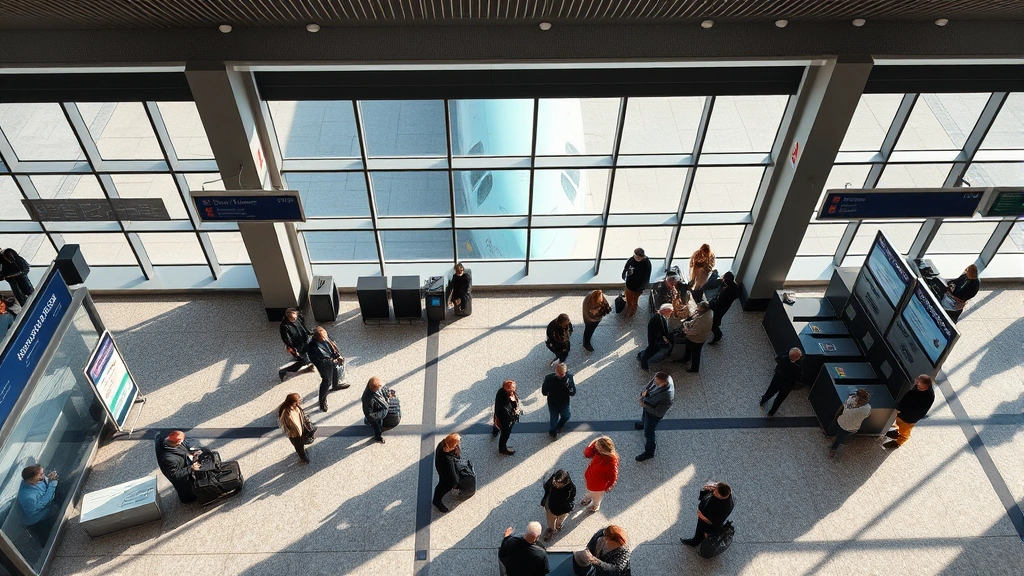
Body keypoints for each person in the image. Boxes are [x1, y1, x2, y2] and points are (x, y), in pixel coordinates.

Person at [885, 374, 936, 449]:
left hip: (908, 418)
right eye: (917, 380)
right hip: (902, 413)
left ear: (926, 385)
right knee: (899, 424)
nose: (916, 382)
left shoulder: (929, 396)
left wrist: (906, 415)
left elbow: (920, 411)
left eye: (919, 382)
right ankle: (897, 431)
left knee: (905, 429)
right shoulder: (917, 388)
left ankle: (899, 441)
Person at [307, 326, 350, 412]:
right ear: (317, 337)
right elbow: (316, 360)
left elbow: (332, 347)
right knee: (326, 381)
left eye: (325, 336)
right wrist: (332, 360)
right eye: (323, 337)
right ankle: (322, 400)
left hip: (331, 360)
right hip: (324, 365)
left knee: (335, 372)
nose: (325, 338)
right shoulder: (312, 347)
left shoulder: (325, 338)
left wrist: (337, 356)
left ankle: (336, 385)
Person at [634, 372, 675, 461]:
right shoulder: (661, 376)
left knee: (649, 433)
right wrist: (645, 393)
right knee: (645, 416)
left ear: (664, 382)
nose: (654, 381)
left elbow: (657, 411)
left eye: (657, 381)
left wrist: (644, 405)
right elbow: (650, 385)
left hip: (654, 414)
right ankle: (643, 424)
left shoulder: (667, 396)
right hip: (649, 404)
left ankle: (649, 453)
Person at [680, 481, 734, 547]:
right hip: (705, 513)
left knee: (700, 531)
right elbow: (705, 497)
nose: (713, 492)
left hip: (707, 521)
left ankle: (695, 542)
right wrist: (705, 489)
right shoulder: (721, 491)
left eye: (715, 492)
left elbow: (716, 522)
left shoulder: (725, 508)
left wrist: (702, 517)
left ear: (720, 496)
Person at [155, 430, 203, 503]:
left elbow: (182, 447)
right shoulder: (169, 459)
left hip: (174, 463)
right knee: (183, 486)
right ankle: (188, 499)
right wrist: (191, 468)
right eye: (181, 442)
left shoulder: (164, 438)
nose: (182, 443)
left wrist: (192, 452)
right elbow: (174, 474)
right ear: (178, 442)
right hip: (176, 472)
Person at [18, 465, 59, 543]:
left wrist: (49, 480)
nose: (43, 476)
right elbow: (45, 502)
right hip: (36, 518)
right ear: (31, 479)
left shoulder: (32, 481)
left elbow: (42, 483)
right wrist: (52, 483)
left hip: (40, 507)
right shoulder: (28, 497)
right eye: (41, 475)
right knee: (55, 509)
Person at [759, 347, 803, 417]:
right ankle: (771, 412)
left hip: (777, 380)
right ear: (797, 358)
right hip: (787, 386)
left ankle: (763, 400)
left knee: (770, 392)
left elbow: (778, 364)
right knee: (779, 399)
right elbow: (799, 378)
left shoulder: (784, 358)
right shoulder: (798, 368)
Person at [580, 436, 618, 513]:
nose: (595, 446)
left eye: (597, 445)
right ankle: (588, 498)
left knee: (597, 497)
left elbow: (613, 476)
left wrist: (608, 486)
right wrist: (595, 441)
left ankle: (596, 505)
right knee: (590, 491)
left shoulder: (611, 462)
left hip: (598, 485)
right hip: (591, 479)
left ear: (602, 449)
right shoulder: (599, 452)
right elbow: (587, 454)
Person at [830, 388, 872, 457]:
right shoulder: (867, 408)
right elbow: (867, 415)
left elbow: (845, 408)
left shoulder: (850, 401)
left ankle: (835, 448)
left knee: (839, 438)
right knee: (844, 436)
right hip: (854, 428)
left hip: (843, 425)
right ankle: (839, 443)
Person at [278, 308, 315, 381]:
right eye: (293, 318)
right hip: (296, 345)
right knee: (303, 361)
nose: (295, 319)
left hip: (304, 340)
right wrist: (294, 349)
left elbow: (304, 326)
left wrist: (310, 333)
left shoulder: (298, 317)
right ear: (288, 317)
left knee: (310, 354)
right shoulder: (284, 326)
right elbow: (286, 339)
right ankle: (284, 371)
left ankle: (309, 365)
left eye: (296, 317)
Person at [541, 363, 576, 439]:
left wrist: (570, 387)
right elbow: (544, 392)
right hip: (554, 403)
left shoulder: (569, 378)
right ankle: (553, 432)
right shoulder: (549, 378)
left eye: (562, 374)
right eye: (559, 374)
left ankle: (558, 426)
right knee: (554, 420)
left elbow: (572, 393)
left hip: (563, 403)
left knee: (566, 416)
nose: (561, 376)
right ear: (556, 371)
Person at [677, 301, 713, 373]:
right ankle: (686, 358)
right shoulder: (709, 312)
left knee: (696, 353)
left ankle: (694, 368)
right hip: (703, 336)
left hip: (697, 339)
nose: (697, 307)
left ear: (703, 309)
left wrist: (685, 329)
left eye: (699, 307)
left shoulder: (702, 321)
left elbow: (694, 332)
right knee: (690, 348)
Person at [540, 470, 577, 541]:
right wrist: (544, 501)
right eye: (555, 482)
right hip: (551, 508)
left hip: (564, 510)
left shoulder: (571, 488)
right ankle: (551, 530)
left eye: (559, 483)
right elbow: (547, 490)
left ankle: (558, 526)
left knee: (560, 520)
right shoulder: (552, 482)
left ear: (565, 482)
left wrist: (570, 506)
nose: (556, 484)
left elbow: (572, 498)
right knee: (550, 521)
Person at [277, 393, 312, 463]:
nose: (299, 402)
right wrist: (292, 433)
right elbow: (285, 425)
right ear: (291, 402)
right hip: (294, 434)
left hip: (300, 429)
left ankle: (302, 454)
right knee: (299, 446)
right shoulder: (286, 412)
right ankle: (303, 458)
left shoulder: (295, 406)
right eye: (297, 401)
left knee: (300, 444)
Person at [637, 304, 673, 371]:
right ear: (665, 311)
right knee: (650, 351)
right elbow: (658, 332)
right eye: (670, 312)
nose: (670, 314)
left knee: (650, 350)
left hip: (654, 340)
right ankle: (644, 363)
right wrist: (664, 339)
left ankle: (642, 356)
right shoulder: (657, 319)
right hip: (655, 341)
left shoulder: (659, 316)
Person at [433, 433, 462, 513]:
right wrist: (456, 484)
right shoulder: (448, 459)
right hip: (445, 474)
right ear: (453, 446)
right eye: (457, 444)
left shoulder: (442, 443)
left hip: (440, 466)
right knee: (442, 487)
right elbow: (454, 478)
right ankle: (436, 501)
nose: (459, 445)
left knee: (442, 484)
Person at [708, 271, 739, 344]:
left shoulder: (729, 290)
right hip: (724, 307)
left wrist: (711, 304)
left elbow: (719, 302)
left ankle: (718, 335)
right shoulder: (734, 287)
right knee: (716, 319)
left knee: (714, 322)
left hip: (720, 308)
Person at [621, 248, 652, 318]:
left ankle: (632, 312)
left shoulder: (646, 263)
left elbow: (646, 277)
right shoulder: (631, 259)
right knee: (629, 298)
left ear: (643, 256)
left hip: (638, 287)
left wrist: (642, 287)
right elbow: (626, 267)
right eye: (635, 256)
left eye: (639, 257)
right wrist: (624, 273)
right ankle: (628, 308)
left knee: (635, 301)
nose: (636, 258)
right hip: (629, 284)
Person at [493, 379, 521, 455]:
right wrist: (515, 411)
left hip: (498, 416)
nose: (514, 389)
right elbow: (507, 413)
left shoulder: (501, 391)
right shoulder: (504, 403)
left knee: (496, 423)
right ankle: (502, 448)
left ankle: (495, 430)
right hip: (505, 421)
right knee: (505, 434)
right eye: (512, 388)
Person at [361, 376, 393, 444]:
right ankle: (370, 422)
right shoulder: (367, 398)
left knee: (370, 419)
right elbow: (369, 414)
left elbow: (384, 388)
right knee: (376, 420)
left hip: (376, 406)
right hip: (374, 412)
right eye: (376, 390)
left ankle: (368, 421)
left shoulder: (376, 384)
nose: (378, 390)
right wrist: (378, 433)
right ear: (371, 388)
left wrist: (388, 394)